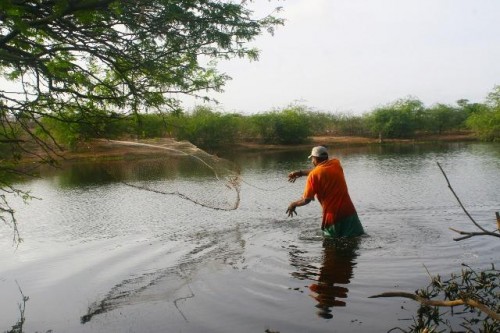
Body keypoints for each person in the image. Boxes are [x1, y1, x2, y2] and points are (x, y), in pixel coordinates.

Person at [286, 146, 364, 238]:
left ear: (315, 158)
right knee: (356, 240)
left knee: (331, 248)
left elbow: (306, 200)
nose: (312, 161)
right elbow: (321, 171)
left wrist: (293, 204)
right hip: (350, 213)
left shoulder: (313, 176)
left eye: (312, 159)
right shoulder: (336, 163)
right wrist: (300, 173)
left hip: (333, 218)